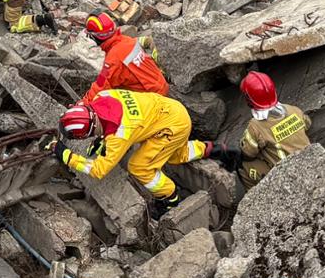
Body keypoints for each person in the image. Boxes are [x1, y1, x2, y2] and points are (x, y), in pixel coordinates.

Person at [57, 89, 239, 218]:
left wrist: (66, 156)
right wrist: (101, 140)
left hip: (171, 126)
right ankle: (214, 149)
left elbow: (98, 170)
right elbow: (105, 118)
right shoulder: (103, 95)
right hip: (170, 111)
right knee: (174, 155)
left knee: (139, 166)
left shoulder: (120, 133)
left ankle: (169, 197)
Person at [237, 71, 311, 187]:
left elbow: (248, 153)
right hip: (310, 161)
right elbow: (307, 124)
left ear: (249, 100)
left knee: (244, 167)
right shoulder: (293, 110)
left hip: (288, 174)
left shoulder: (256, 126)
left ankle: (256, 200)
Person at [80, 13, 169, 104]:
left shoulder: (113, 59)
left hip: (153, 97)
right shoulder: (126, 40)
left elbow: (100, 85)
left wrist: (83, 103)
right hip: (160, 84)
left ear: (95, 37)